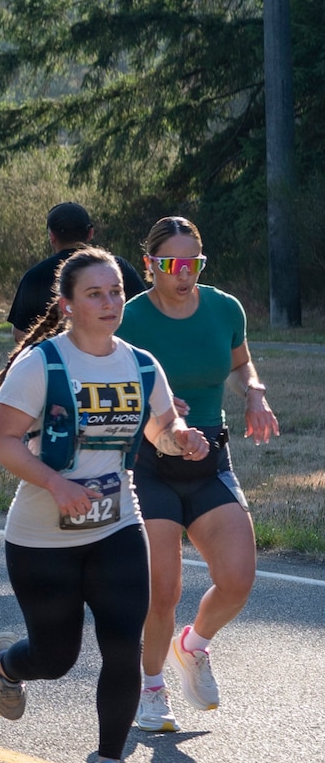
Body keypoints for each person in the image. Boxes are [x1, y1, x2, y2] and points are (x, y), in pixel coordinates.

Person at [0, 248, 209, 763]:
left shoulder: (140, 363)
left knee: (120, 648)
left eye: (115, 292)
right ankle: (9, 663)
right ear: (67, 304)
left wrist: (181, 436)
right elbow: (1, 441)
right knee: (56, 658)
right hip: (41, 537)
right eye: (95, 294)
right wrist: (56, 484)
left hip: (116, 528)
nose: (109, 303)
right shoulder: (40, 365)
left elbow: (160, 426)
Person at [116, 216, 280, 731]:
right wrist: (153, 407)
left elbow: (240, 364)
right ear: (150, 266)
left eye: (193, 263)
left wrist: (254, 394)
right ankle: (150, 689)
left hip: (209, 457)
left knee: (237, 579)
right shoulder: (129, 318)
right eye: (171, 264)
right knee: (161, 590)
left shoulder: (224, 308)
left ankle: (193, 646)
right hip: (148, 466)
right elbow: (107, 376)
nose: (183, 273)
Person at [7, 201, 145, 342]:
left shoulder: (34, 276)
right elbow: (144, 315)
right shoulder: (116, 268)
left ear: (52, 237)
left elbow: (20, 334)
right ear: (90, 233)